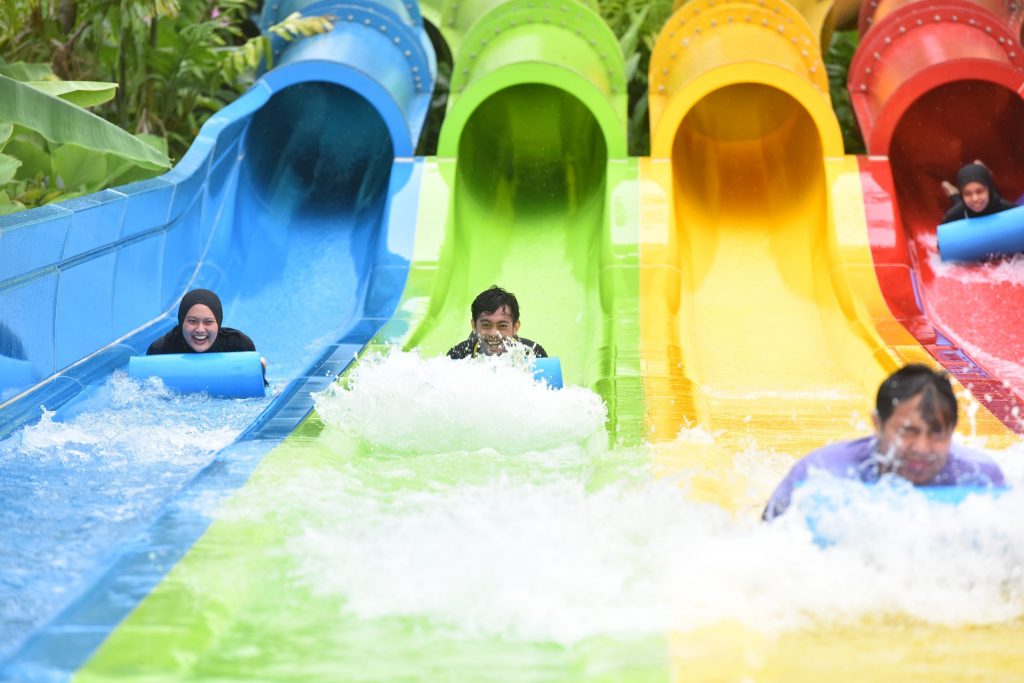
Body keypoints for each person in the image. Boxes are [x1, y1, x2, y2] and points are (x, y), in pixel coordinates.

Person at [762, 364, 1005, 521]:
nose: (921, 448)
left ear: (952, 431)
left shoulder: (980, 478)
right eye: (908, 431)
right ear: (878, 424)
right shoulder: (822, 472)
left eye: (936, 433)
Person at [147, 289, 265, 375]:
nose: (200, 329)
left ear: (218, 324)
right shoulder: (161, 350)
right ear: (181, 321)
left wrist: (260, 372)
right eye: (192, 321)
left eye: (208, 322)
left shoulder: (238, 345)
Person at [447, 286, 548, 359]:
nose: (494, 333)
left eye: (502, 326)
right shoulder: (458, 356)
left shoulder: (534, 354)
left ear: (515, 327)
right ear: (474, 325)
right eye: (486, 325)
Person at [940, 161, 1016, 224]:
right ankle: (953, 193)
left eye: (979, 191)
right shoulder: (951, 216)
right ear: (962, 195)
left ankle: (985, 174)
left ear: (988, 190)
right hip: (965, 210)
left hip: (993, 202)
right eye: (967, 193)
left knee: (993, 200)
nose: (975, 198)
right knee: (960, 204)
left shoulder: (1010, 209)